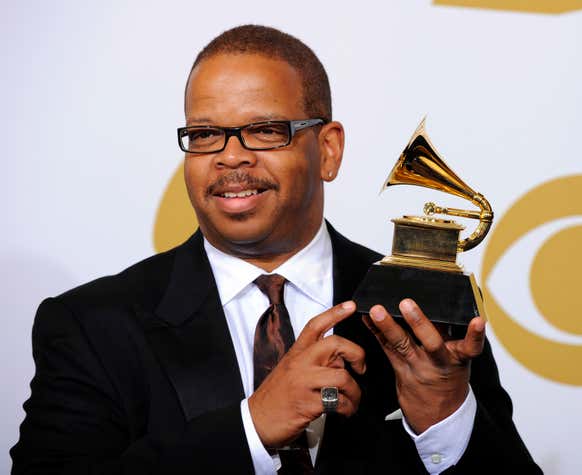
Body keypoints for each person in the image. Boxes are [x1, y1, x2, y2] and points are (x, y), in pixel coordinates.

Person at [11, 25, 541, 474]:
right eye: (204, 135)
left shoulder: (420, 306)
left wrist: (445, 416)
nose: (229, 157)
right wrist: (251, 428)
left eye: (265, 131)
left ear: (327, 150)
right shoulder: (92, 325)